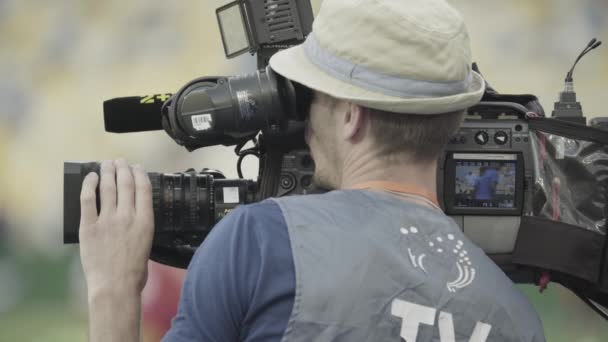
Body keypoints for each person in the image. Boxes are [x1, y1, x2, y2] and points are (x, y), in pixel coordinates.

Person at [78, 0, 546, 341]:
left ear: (351, 115)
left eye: (312, 96)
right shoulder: (517, 318)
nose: (304, 122)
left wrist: (114, 289)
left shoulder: (259, 242)